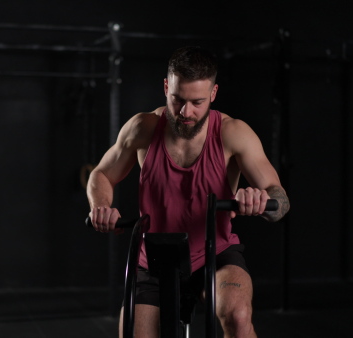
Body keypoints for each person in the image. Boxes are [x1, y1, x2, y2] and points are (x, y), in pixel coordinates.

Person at [87, 46, 290, 338]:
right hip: (154, 258)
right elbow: (101, 174)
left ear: (214, 93)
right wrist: (101, 206)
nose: (186, 112)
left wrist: (262, 201)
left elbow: (280, 199)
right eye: (178, 100)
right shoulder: (142, 128)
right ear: (166, 86)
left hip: (215, 254)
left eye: (197, 102)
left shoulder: (233, 133)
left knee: (238, 314)